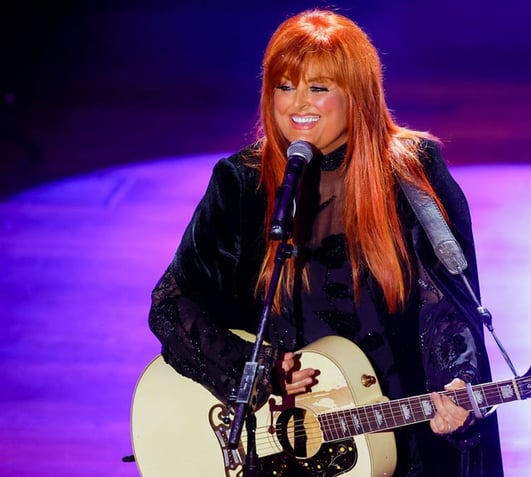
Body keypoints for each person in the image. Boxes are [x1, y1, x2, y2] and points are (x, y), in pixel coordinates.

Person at [147, 8, 504, 477]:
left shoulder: (414, 175)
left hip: (403, 444)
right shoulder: (240, 183)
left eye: (318, 88)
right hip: (284, 448)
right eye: (285, 86)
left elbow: (449, 307)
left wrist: (457, 383)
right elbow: (172, 303)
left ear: (356, 95)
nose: (298, 104)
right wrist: (255, 372)